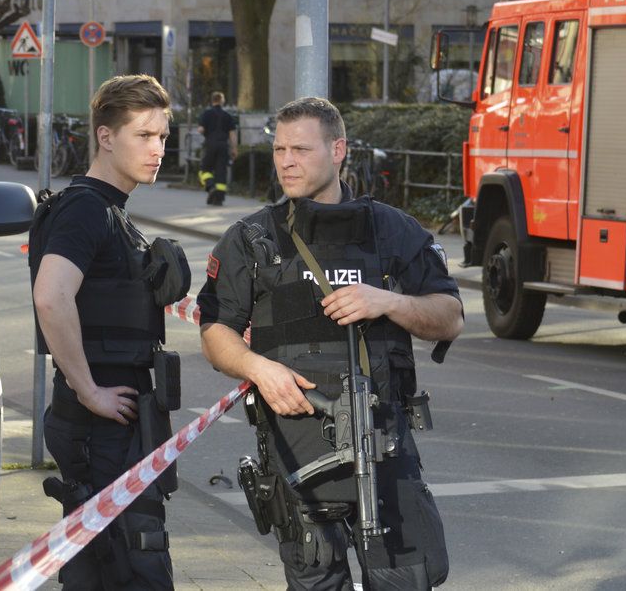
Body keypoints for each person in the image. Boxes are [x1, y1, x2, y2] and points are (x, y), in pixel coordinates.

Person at [197, 97, 461, 590]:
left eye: (300, 148)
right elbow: (215, 333)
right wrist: (257, 367)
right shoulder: (253, 240)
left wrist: (388, 302)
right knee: (317, 579)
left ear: (338, 149)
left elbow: (450, 317)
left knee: (408, 577)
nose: (285, 161)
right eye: (278, 149)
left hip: (380, 437)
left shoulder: (392, 230)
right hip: (295, 445)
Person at [28, 74, 189, 591]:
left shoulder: (110, 211)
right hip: (100, 425)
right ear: (105, 136)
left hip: (116, 420)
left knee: (107, 560)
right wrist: (87, 389)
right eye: (144, 135)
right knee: (127, 560)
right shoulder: (86, 209)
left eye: (163, 137)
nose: (158, 149)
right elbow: (51, 296)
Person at [197, 91, 237, 206]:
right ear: (222, 100)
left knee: (204, 169)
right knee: (221, 171)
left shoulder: (207, 114)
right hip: (223, 145)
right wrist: (234, 148)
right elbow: (232, 135)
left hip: (210, 144)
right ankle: (218, 199)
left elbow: (200, 130)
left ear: (212, 100)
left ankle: (210, 186)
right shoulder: (227, 115)